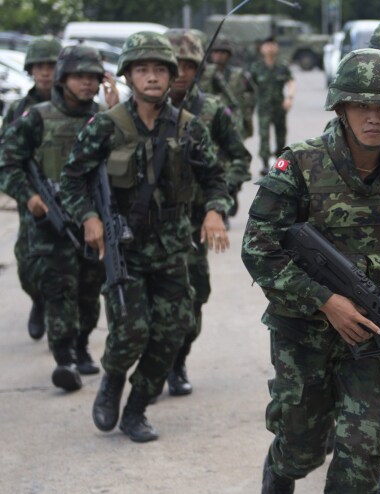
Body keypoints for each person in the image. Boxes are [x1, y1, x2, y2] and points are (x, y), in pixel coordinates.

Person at [241, 48, 380, 494]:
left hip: (373, 335)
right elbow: (259, 248)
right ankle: (280, 472)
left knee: (362, 453)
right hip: (303, 330)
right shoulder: (299, 164)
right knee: (300, 447)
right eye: (362, 105)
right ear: (341, 107)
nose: (374, 117)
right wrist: (325, 301)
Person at [60, 31, 231, 443]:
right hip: (126, 248)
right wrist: (88, 218)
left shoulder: (190, 129)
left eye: (159, 69)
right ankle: (112, 382)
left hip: (173, 247)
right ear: (129, 76)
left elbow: (216, 179)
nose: (152, 77)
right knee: (131, 329)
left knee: (174, 330)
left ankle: (136, 408)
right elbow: (72, 180)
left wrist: (214, 210)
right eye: (142, 70)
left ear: (171, 75)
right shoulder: (107, 126)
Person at [0, 45, 109, 390]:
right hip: (50, 222)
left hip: (94, 219)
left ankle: (82, 346)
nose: (87, 84)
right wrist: (29, 197)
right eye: (80, 76)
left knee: (90, 290)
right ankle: (64, 359)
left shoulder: (107, 119)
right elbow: (6, 162)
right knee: (59, 289)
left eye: (93, 77)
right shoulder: (37, 117)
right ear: (64, 80)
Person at [165, 31, 252, 396]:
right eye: (176, 64)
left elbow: (240, 158)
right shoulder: (137, 110)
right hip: (148, 221)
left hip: (195, 220)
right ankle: (152, 366)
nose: (182, 72)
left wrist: (220, 195)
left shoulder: (212, 109)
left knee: (194, 294)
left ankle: (177, 360)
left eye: (189, 65)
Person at [1, 36, 62, 342]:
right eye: (39, 66)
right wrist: (26, 195)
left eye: (51, 65)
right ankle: (38, 300)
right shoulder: (19, 110)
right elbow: (6, 158)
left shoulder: (76, 106)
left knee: (68, 268)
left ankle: (62, 326)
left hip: (68, 196)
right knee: (28, 266)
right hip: (32, 196)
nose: (45, 72)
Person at [250, 37, 295, 175]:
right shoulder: (256, 67)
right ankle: (264, 164)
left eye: (272, 45)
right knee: (264, 135)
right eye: (267, 45)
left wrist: (289, 97)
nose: (270, 48)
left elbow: (291, 81)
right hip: (263, 107)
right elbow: (250, 87)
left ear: (276, 48)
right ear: (262, 48)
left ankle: (279, 163)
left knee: (280, 135)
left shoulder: (282, 66)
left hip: (279, 107)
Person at [199, 34, 256, 140]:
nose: (219, 55)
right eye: (216, 52)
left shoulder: (238, 75)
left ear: (229, 54)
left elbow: (251, 94)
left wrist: (246, 114)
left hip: (234, 122)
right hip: (211, 121)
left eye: (223, 52)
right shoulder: (205, 75)